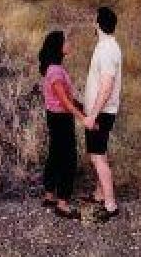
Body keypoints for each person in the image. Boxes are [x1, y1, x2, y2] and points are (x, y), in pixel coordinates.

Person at [38, 30, 88, 220]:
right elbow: (64, 102)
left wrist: (81, 107)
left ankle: (49, 196)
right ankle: (63, 204)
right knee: (68, 160)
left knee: (55, 155)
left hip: (55, 117)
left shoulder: (54, 68)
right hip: (61, 120)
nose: (70, 43)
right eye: (66, 41)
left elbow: (67, 99)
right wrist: (82, 118)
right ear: (58, 46)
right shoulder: (55, 71)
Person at [82, 5, 122, 220]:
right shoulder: (108, 46)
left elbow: (107, 86)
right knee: (99, 155)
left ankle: (110, 204)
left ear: (97, 24)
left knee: (98, 158)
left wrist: (92, 115)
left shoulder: (106, 50)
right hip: (102, 111)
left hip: (101, 113)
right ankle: (99, 194)